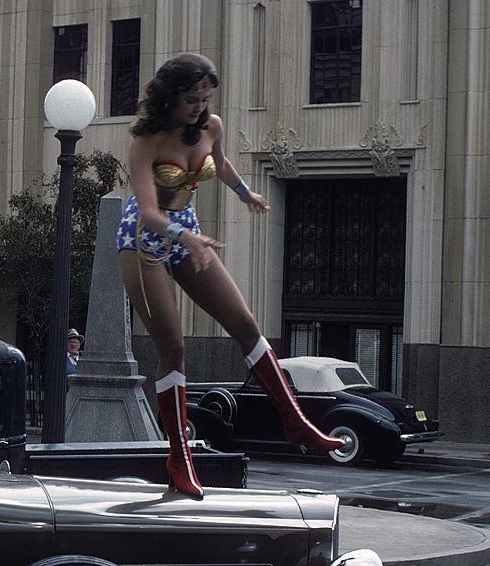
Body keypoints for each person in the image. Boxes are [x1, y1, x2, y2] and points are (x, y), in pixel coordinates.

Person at [117, 53, 344, 499]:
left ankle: (295, 421)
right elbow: (147, 210)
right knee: (174, 347)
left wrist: (247, 193)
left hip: (190, 236)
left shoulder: (211, 126)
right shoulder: (146, 141)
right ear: (170, 96)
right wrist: (187, 238)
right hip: (144, 243)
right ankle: (178, 459)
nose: (200, 106)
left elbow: (218, 164)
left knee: (245, 323)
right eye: (191, 98)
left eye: (205, 97)